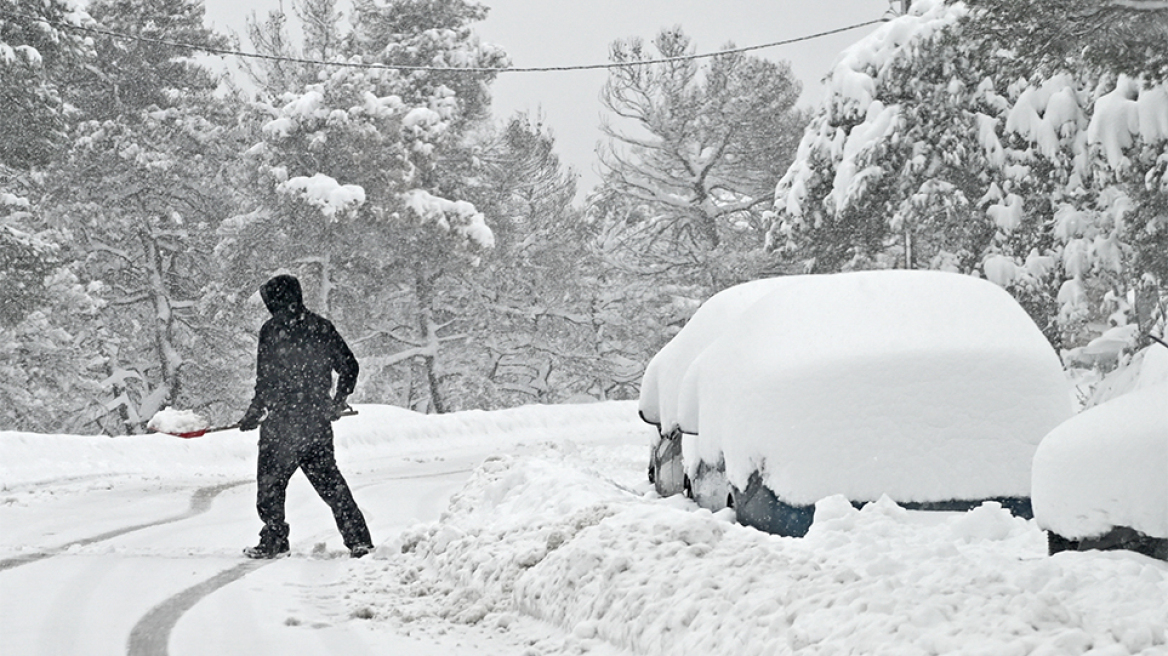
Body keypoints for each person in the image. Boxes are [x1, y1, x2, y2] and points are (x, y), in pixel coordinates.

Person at [238, 273, 374, 559]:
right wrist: (337, 400)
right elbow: (348, 366)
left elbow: (265, 380)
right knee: (331, 486)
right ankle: (358, 541)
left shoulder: (273, 331)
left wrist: (256, 410)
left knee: (270, 488)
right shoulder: (318, 328)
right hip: (311, 423)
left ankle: (275, 538)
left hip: (283, 425)